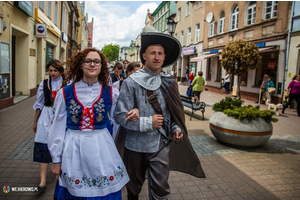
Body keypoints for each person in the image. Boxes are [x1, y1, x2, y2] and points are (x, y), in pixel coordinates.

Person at [114, 26, 205, 200]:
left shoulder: (169, 82)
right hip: (135, 146)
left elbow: (173, 113)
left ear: (164, 57)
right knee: (133, 188)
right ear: (144, 56)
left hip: (160, 144)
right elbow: (120, 115)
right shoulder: (130, 82)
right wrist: (148, 122)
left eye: (160, 53)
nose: (157, 57)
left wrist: (175, 128)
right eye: (152, 53)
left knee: (161, 190)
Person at [48, 48, 130, 200]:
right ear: (80, 65)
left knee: (102, 188)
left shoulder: (111, 92)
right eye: (88, 61)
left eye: (96, 61)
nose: (92, 64)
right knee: (74, 189)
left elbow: (118, 121)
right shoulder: (65, 93)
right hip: (73, 147)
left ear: (101, 66)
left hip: (101, 147)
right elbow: (57, 127)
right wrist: (56, 160)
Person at [32, 59, 64, 192]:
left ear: (61, 71)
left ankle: (61, 175)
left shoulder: (67, 83)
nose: (52, 73)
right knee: (43, 144)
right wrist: (35, 121)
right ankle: (42, 181)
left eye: (55, 70)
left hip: (61, 115)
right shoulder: (44, 84)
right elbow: (39, 104)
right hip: (46, 115)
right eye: (50, 70)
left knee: (62, 144)